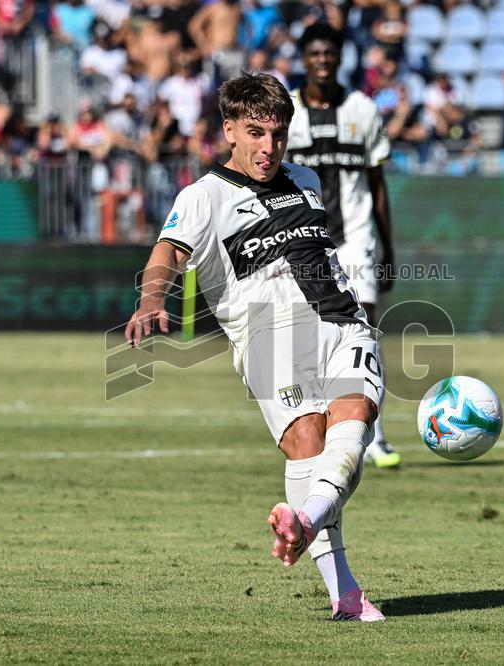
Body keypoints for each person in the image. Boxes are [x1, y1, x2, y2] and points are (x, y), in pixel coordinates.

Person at [125, 71, 385, 622]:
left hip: (342, 320)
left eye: (278, 134)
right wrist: (152, 301)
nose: (269, 147)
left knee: (353, 428)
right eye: (256, 132)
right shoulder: (203, 197)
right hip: (269, 335)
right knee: (311, 448)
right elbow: (167, 254)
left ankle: (307, 529)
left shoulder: (306, 179)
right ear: (230, 131)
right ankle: (345, 592)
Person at [285, 23, 400, 469]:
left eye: (330, 53)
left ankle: (375, 436)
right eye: (314, 52)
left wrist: (388, 245)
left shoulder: (362, 109)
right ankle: (321, 426)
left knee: (365, 331)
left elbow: (378, 182)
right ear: (303, 57)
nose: (322, 60)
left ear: (339, 57)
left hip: (356, 239)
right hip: (303, 246)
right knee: (311, 336)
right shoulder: (287, 112)